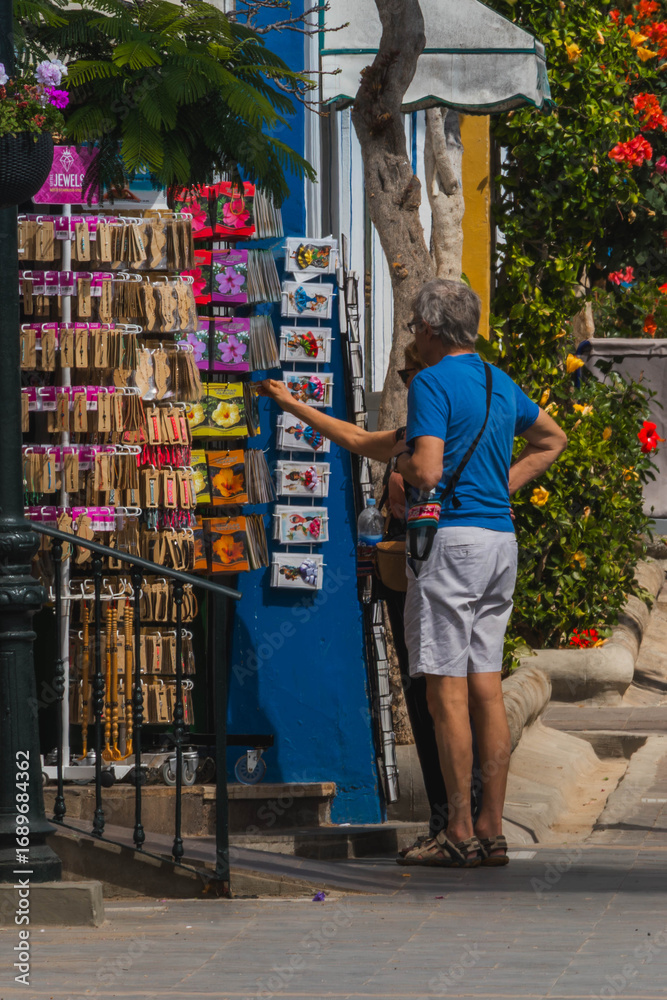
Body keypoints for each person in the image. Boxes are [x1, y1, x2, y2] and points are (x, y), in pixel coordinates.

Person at [260, 342, 479, 850]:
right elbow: (357, 437)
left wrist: (406, 480)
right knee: (470, 692)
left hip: (434, 571)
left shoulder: (425, 440)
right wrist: (293, 404)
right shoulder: (474, 418)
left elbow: (387, 459)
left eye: (409, 371)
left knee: (434, 698)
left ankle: (452, 822)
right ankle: (475, 824)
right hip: (479, 564)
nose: (406, 381)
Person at [390, 278, 566, 867]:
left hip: (453, 543)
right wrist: (503, 484)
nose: (414, 334)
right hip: (499, 541)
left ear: (435, 329)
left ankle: (457, 830)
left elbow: (427, 470)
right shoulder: (498, 380)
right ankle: (492, 828)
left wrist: (403, 468)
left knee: (445, 690)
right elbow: (551, 439)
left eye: (416, 325)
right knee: (487, 685)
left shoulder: (432, 382)